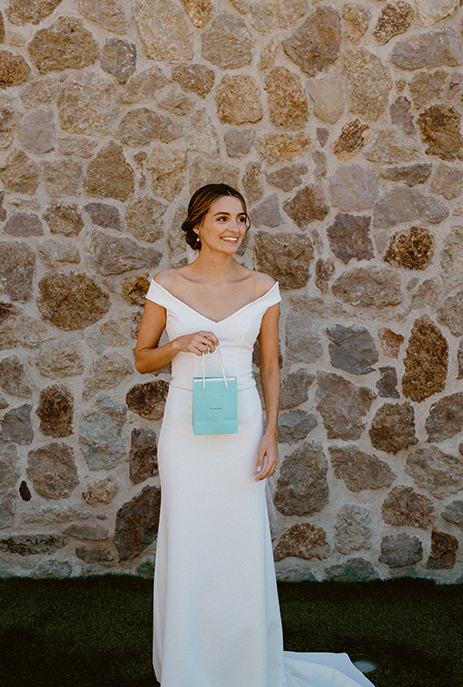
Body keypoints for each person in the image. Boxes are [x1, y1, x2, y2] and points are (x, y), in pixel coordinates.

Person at [134, 183, 375, 687]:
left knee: (241, 543)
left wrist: (271, 433)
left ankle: (245, 666)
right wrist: (178, 343)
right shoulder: (167, 283)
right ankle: (187, 665)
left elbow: (269, 365)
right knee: (189, 540)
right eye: (222, 219)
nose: (234, 229)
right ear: (197, 226)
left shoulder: (262, 286)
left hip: (242, 422)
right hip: (185, 426)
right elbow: (142, 359)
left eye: (241, 219)